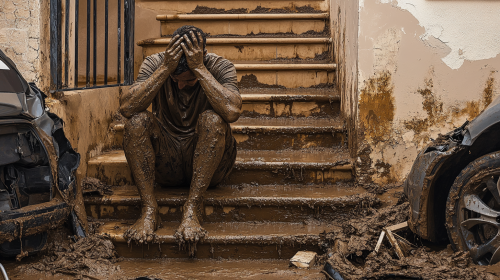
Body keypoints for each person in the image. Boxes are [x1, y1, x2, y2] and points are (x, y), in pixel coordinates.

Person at [119, 25, 241, 246]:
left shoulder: (220, 66)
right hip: (168, 161)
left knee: (213, 120)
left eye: (189, 80)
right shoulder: (157, 63)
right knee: (136, 122)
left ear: (203, 57)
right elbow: (127, 108)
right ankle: (149, 209)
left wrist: (199, 70)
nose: (182, 85)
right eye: (177, 80)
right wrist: (166, 68)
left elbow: (232, 111)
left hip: (211, 166)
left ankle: (193, 207)